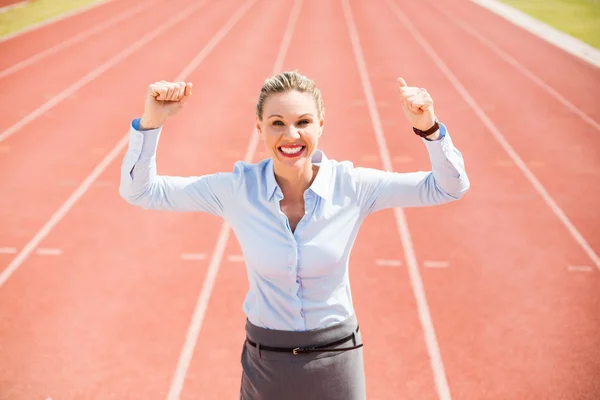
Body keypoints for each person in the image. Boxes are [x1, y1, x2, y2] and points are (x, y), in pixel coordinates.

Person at [119, 71, 469, 399]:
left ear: (320, 125)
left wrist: (430, 130)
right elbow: (140, 191)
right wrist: (151, 124)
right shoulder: (238, 189)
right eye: (277, 124)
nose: (290, 135)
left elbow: (448, 188)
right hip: (265, 364)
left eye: (303, 122)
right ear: (259, 128)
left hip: (337, 358)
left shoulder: (353, 186)